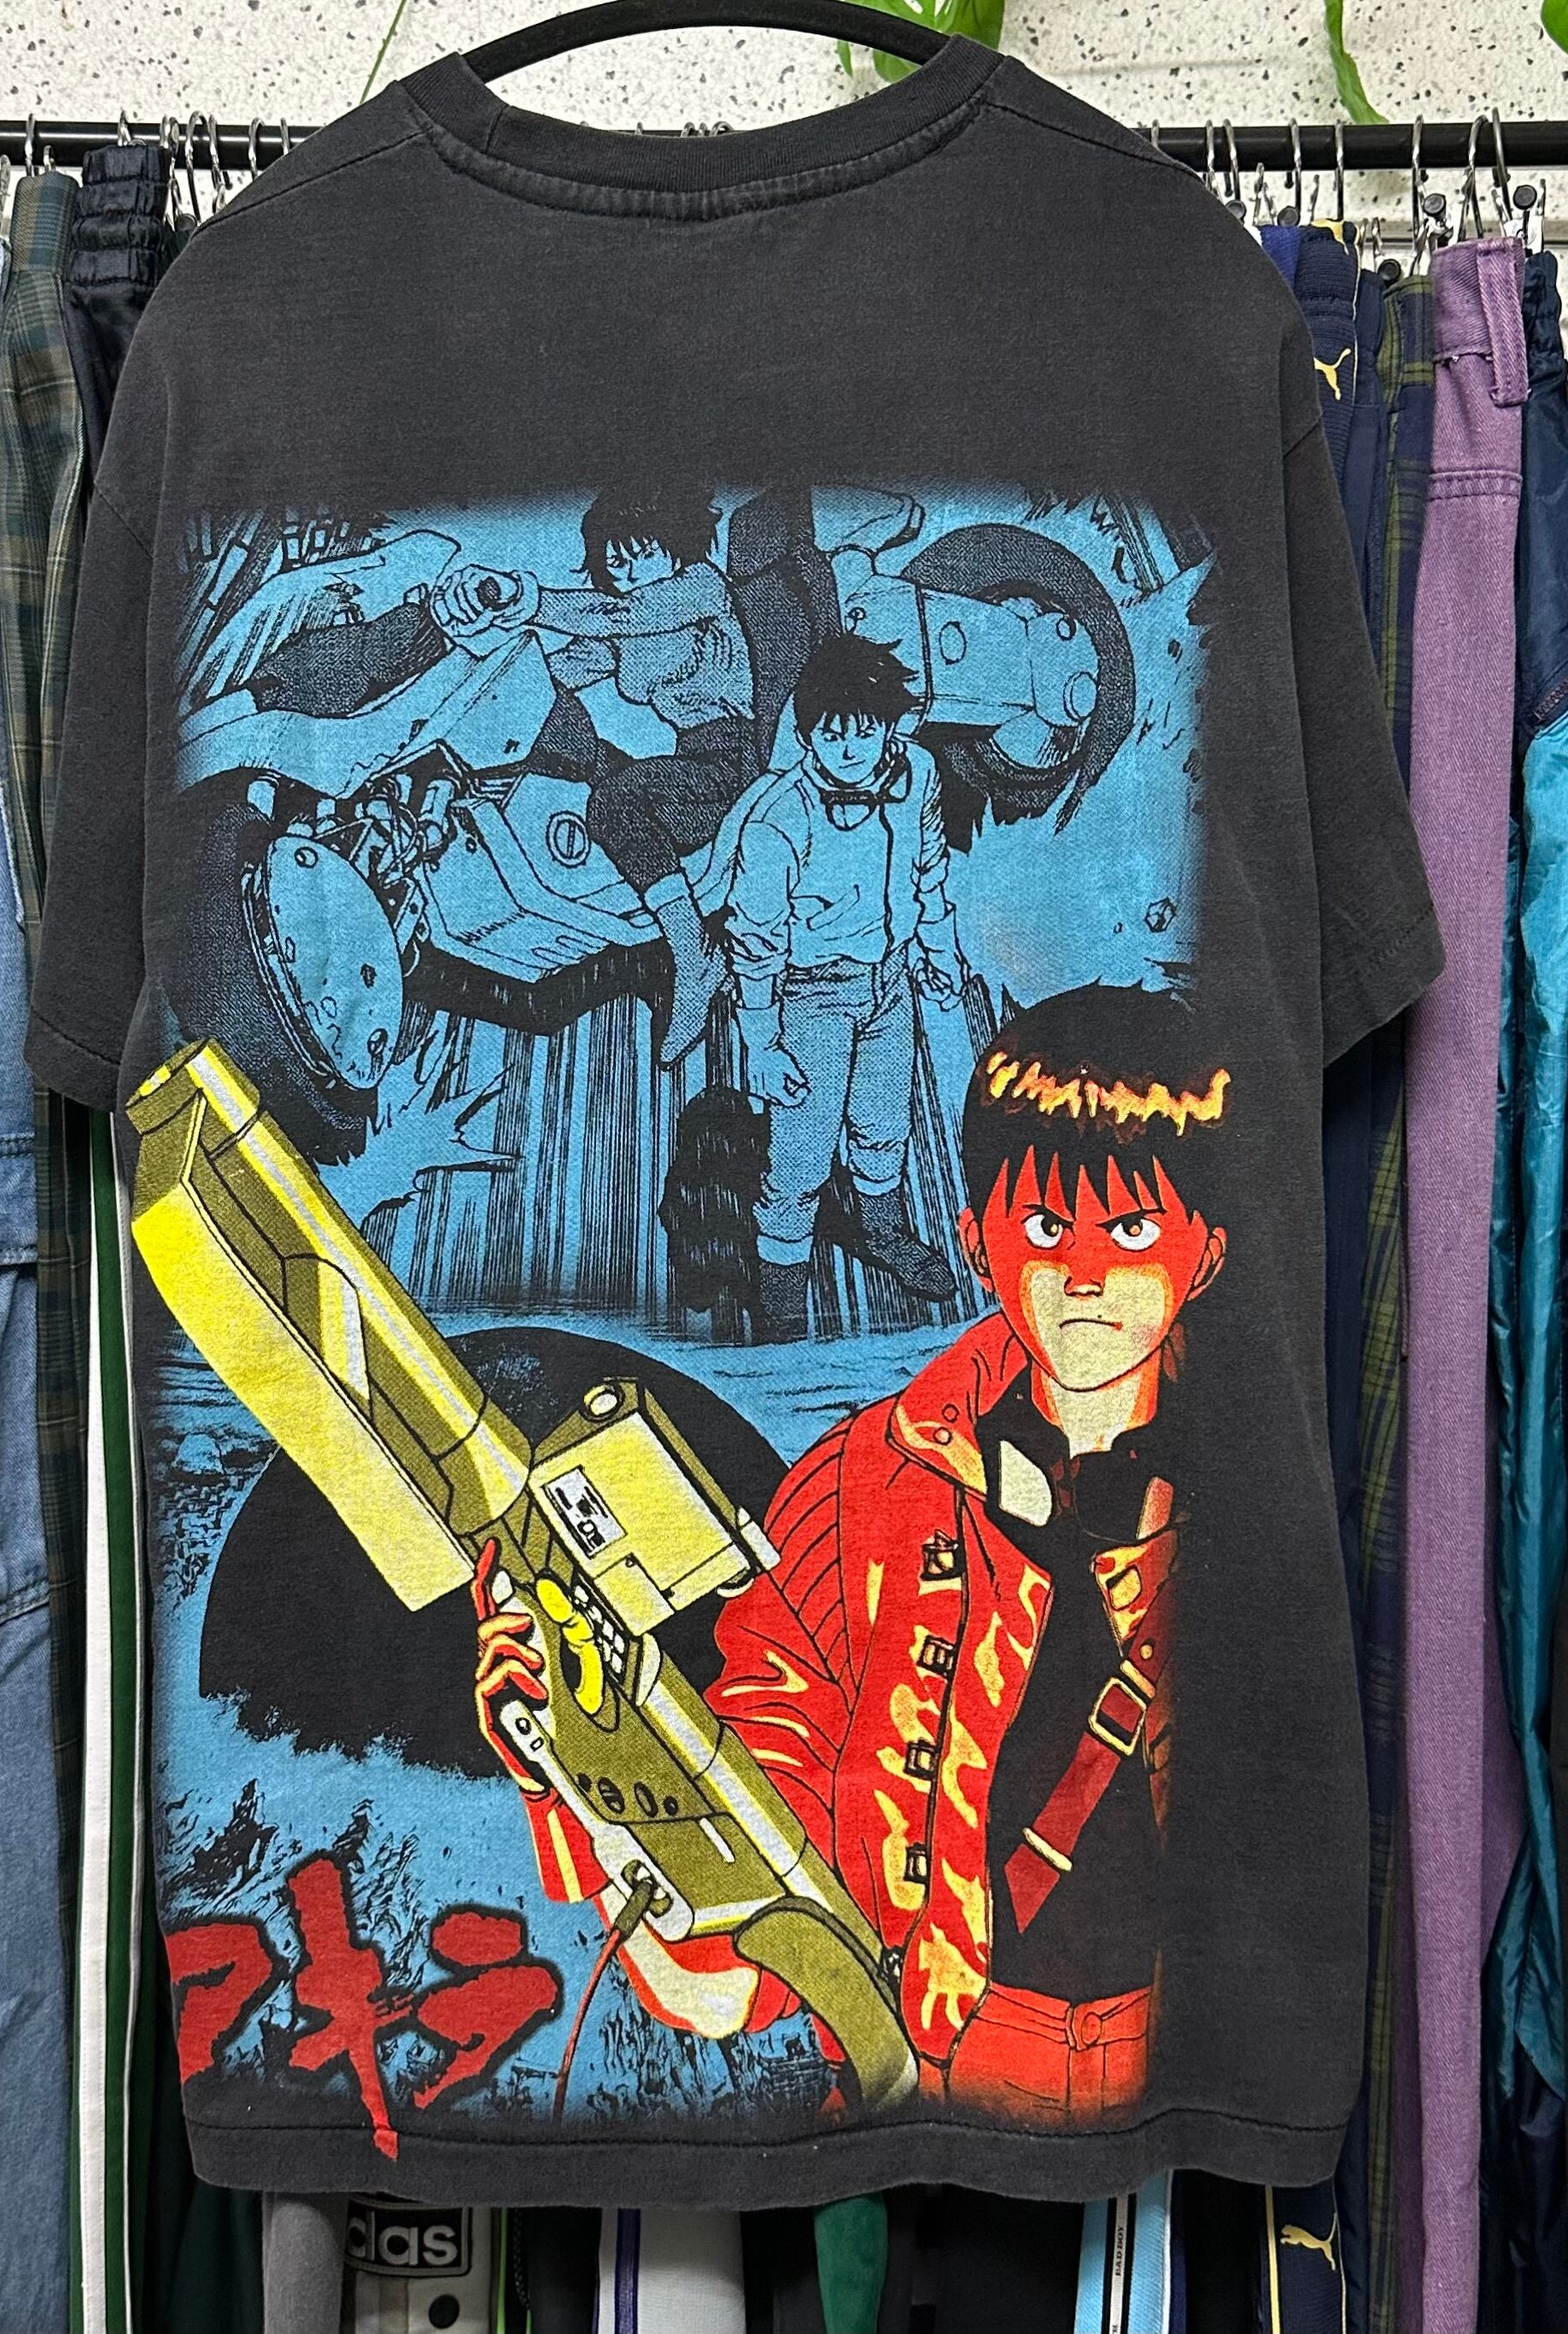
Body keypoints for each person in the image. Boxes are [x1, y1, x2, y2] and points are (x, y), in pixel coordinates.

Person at [471, 984, 1232, 2127]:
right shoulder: (854, 1494)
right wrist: (572, 1771)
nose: (1084, 1273)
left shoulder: (1259, 1487)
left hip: (1188, 2083)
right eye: (1043, 1227)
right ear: (975, 1242)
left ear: (1205, 1253)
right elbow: (733, 1967)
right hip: (926, 2087)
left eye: (1129, 1230)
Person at [431, 488, 762, 1065]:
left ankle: (692, 954)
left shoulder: (700, 589)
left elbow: (620, 615)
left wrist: (524, 597)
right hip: (687, 765)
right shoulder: (626, 622)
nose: (628, 575)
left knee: (613, 803)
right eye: (616, 566)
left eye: (640, 555)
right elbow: (558, 671)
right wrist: (473, 684)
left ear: (674, 543)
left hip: (730, 765)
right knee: (572, 751)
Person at [720, 632, 961, 1337]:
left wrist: (937, 951)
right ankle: (781, 1305)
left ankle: (882, 1233)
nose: (850, 749)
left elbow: (929, 872)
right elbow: (754, 940)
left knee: (884, 1126)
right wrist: (764, 1044)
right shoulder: (776, 822)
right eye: (831, 735)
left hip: (890, 983)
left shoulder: (918, 772)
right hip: (810, 996)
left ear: (890, 725)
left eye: (865, 730)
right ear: (806, 737)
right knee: (800, 1158)